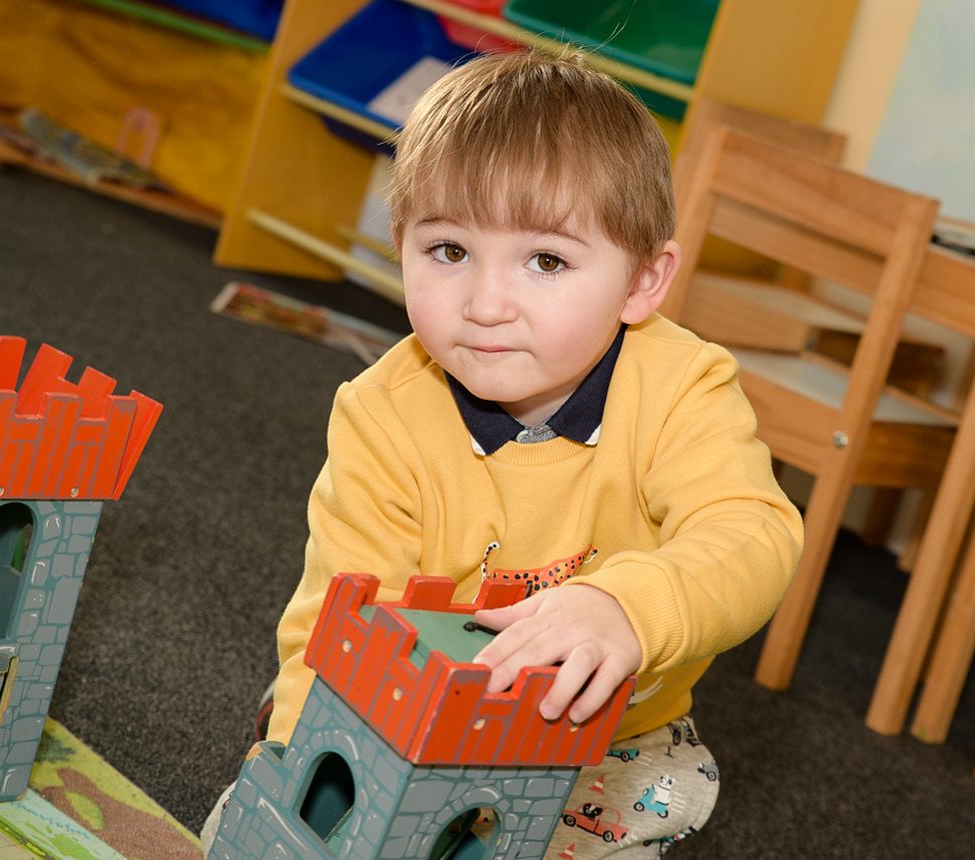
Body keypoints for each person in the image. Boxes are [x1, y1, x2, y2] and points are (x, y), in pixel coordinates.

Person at [205, 48, 802, 858]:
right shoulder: (383, 411)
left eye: (546, 261)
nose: (485, 305)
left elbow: (753, 533)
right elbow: (338, 618)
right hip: (410, 715)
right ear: (402, 244)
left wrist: (628, 605)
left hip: (607, 733)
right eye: (448, 251)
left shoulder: (682, 385)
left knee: (631, 809)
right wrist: (298, 761)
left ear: (641, 284)